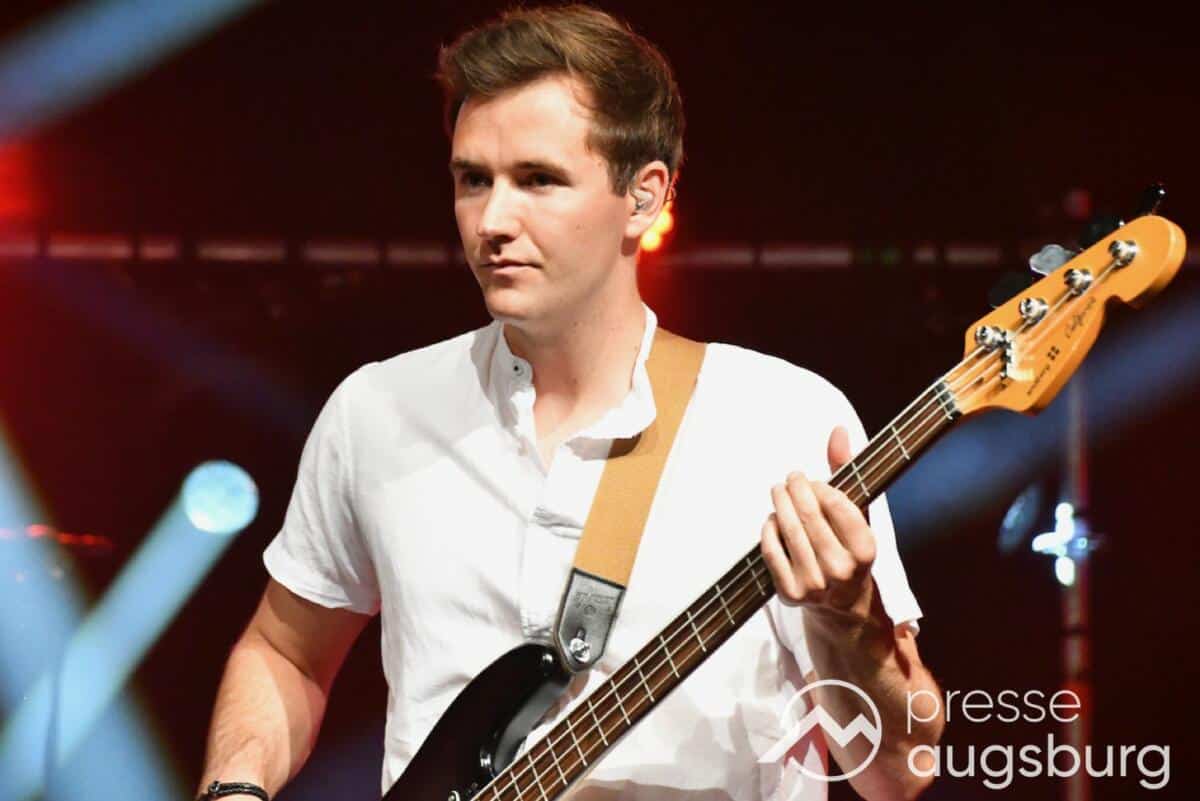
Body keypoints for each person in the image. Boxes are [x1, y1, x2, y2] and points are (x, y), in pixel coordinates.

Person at [198, 5, 945, 800]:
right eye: (473, 180)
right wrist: (233, 788)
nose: (492, 221)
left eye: (538, 180)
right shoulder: (377, 411)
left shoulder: (782, 419)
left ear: (645, 197)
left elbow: (901, 771)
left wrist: (845, 618)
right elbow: (283, 652)